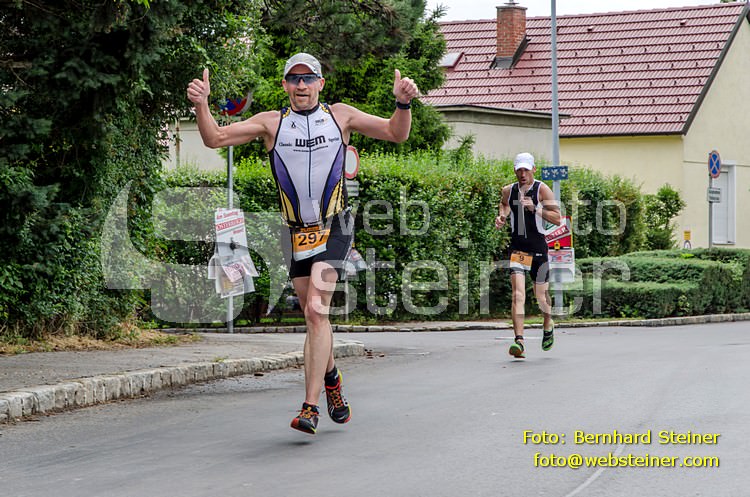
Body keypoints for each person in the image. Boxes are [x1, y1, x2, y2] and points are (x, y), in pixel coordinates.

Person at [186, 53, 419, 434]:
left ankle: (310, 408)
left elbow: (396, 132)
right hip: (296, 231)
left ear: (320, 84)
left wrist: (403, 103)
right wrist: (202, 104)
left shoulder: (341, 116)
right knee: (316, 319)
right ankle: (332, 380)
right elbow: (215, 138)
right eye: (294, 79)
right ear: (284, 85)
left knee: (314, 310)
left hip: (335, 225)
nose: (301, 85)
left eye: (308, 78)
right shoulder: (271, 123)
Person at [495, 152, 562, 359]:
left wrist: (536, 209)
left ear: (534, 169)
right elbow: (504, 204)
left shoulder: (542, 189)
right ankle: (519, 341)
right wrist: (502, 216)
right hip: (519, 250)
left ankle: (548, 322)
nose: (522, 174)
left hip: (539, 249)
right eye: (519, 170)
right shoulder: (509, 190)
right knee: (518, 294)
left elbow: (557, 218)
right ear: (515, 171)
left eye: (526, 169)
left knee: (541, 297)